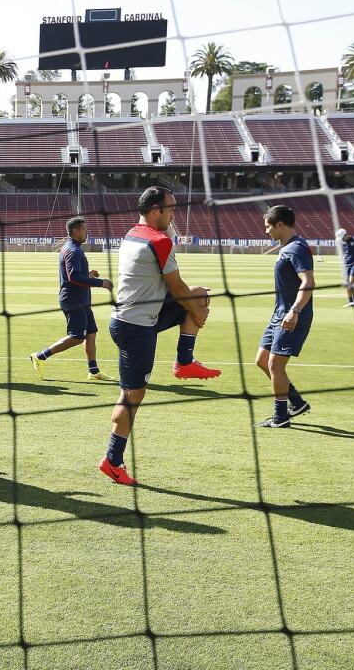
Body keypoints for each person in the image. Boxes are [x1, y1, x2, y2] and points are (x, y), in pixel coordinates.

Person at [100, 186, 221, 486]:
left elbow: (175, 290)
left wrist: (194, 306)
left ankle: (185, 361)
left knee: (200, 295)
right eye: (170, 209)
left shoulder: (132, 233)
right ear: (155, 210)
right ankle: (112, 461)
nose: (173, 214)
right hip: (135, 327)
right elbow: (177, 287)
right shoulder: (160, 240)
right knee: (133, 396)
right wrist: (200, 315)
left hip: (138, 317)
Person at [30, 216, 115, 382]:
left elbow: (75, 276)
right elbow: (73, 277)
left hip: (81, 299)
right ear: (75, 230)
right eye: (84, 229)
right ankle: (40, 356)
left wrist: (88, 276)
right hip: (74, 300)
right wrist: (100, 283)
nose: (87, 232)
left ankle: (94, 371)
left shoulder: (72, 248)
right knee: (77, 336)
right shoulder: (73, 250)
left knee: (91, 333)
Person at [256, 205, 315, 428]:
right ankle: (296, 402)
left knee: (275, 364)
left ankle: (280, 417)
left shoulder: (297, 248)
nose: (266, 231)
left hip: (293, 315)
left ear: (280, 224)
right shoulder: (288, 247)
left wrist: (295, 310)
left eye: (268, 226)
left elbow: (308, 282)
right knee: (262, 360)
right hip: (279, 314)